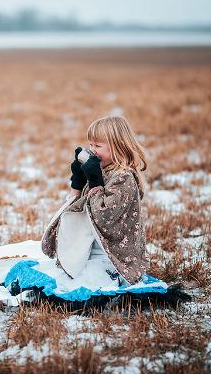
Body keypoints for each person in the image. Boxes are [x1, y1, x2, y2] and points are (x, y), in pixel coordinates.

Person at [41, 116, 148, 287]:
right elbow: (76, 211)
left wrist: (95, 183)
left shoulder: (123, 178)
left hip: (114, 260)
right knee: (58, 277)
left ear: (118, 147)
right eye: (90, 145)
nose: (92, 150)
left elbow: (102, 216)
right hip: (91, 252)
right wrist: (77, 183)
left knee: (74, 286)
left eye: (98, 146)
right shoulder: (100, 170)